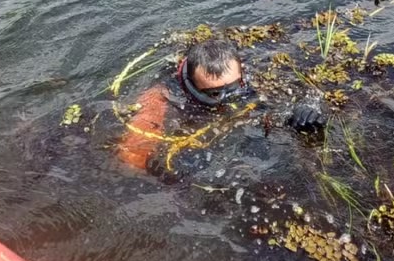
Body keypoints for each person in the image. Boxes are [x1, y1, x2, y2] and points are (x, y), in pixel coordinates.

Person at [116, 38, 325, 172]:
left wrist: (302, 113)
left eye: (234, 88)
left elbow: (300, 92)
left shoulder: (256, 74)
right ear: (190, 85)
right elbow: (129, 156)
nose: (228, 98)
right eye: (215, 93)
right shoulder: (163, 95)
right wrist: (170, 169)